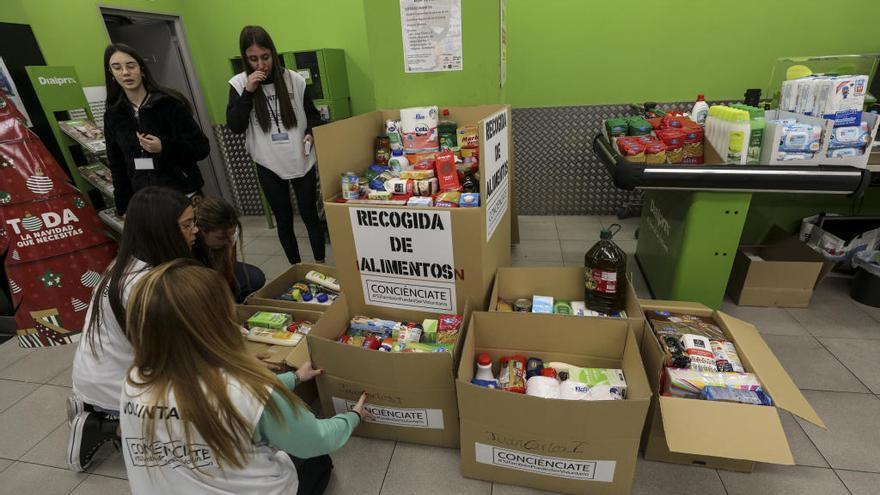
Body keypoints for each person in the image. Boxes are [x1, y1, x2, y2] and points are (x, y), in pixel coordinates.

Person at [120, 259, 369, 495]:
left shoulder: (134, 380)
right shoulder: (248, 387)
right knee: (317, 461)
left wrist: (294, 378)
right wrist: (353, 417)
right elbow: (316, 439)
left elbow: (224, 402)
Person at [68, 187, 198, 472]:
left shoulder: (129, 262)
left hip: (106, 371)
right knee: (192, 427)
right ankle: (104, 426)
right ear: (160, 230)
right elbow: (173, 355)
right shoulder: (144, 285)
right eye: (187, 225)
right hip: (114, 385)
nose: (195, 230)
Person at [226, 25, 326, 264]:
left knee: (311, 215)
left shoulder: (294, 79)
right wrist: (249, 91)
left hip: (301, 157)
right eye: (253, 59)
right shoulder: (239, 84)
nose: (261, 65)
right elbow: (236, 126)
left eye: (265, 57)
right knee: (284, 218)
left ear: (273, 53)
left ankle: (321, 264)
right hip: (268, 163)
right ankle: (296, 267)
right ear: (245, 58)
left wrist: (311, 132)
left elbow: (313, 114)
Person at [103, 43, 210, 215]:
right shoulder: (113, 115)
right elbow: (117, 166)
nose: (125, 72)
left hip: (182, 194)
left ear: (142, 69)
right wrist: (124, 207)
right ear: (112, 74)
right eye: (117, 68)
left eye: (131, 66)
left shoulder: (169, 103)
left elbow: (201, 148)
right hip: (147, 202)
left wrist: (164, 148)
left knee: (194, 240)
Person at [193, 196, 266, 303]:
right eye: (221, 238)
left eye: (231, 235)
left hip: (219, 274)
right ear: (202, 231)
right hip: (198, 282)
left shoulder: (229, 233)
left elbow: (228, 269)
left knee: (255, 277)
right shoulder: (190, 243)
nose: (228, 241)